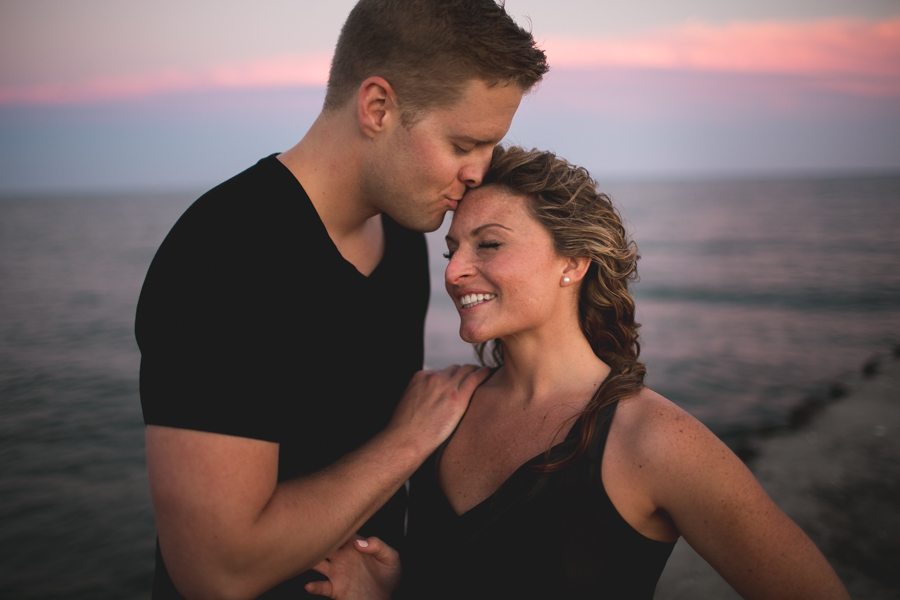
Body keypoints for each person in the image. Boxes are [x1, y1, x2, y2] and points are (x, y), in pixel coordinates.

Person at [304, 146, 851, 600]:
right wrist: (397, 588)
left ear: (573, 262)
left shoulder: (654, 439)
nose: (453, 271)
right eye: (451, 249)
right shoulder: (438, 407)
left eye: (488, 244)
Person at [134, 1, 548, 598]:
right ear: (377, 107)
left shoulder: (406, 234)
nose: (478, 174)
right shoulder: (226, 256)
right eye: (463, 144)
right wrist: (408, 441)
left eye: (489, 148)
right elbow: (217, 571)